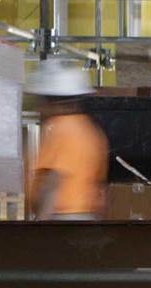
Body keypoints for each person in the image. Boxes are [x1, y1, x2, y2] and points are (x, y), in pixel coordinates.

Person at [26, 61, 107, 220]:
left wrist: (38, 227)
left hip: (62, 219)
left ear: (51, 101)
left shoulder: (60, 129)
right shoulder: (89, 129)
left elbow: (52, 182)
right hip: (85, 217)